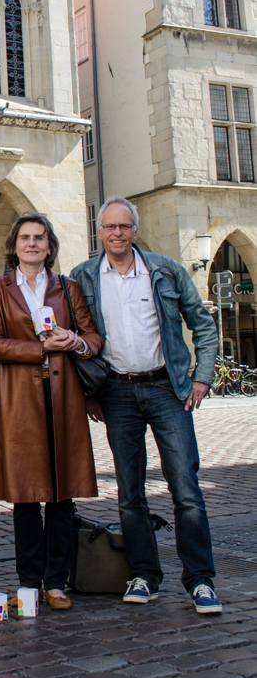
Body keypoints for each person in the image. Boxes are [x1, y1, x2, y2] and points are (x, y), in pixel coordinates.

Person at [71, 197, 221, 614]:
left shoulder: (165, 269)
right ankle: (144, 574)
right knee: (129, 492)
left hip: (166, 389)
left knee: (185, 488)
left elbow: (202, 323)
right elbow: (74, 340)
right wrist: (88, 392)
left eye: (124, 226)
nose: (116, 233)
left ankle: (200, 579)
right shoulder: (82, 277)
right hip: (116, 392)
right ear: (99, 233)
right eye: (109, 227)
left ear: (135, 230)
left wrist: (203, 376)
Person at [0, 213, 102, 610]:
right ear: (14, 245)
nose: (32, 244)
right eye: (24, 238)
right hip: (21, 401)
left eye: (39, 238)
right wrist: (40, 349)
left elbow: (94, 339)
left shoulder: (67, 289)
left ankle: (56, 582)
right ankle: (29, 582)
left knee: (62, 492)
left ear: (49, 246)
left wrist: (74, 340)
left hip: (64, 396)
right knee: (26, 493)